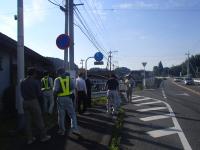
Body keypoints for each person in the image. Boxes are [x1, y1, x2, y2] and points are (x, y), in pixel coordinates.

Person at [20, 67, 51, 144]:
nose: (36, 74)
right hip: (33, 101)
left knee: (28, 121)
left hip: (25, 102)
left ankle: (30, 139)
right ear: (34, 73)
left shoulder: (22, 81)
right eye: (35, 73)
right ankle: (43, 137)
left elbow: (21, 91)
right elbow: (39, 94)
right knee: (39, 119)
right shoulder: (35, 82)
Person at [53, 68, 80, 136]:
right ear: (64, 72)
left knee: (61, 115)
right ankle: (75, 129)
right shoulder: (69, 79)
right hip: (68, 98)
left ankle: (62, 131)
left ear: (58, 73)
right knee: (72, 114)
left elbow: (55, 91)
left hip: (60, 99)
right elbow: (73, 87)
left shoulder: (57, 79)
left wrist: (54, 99)